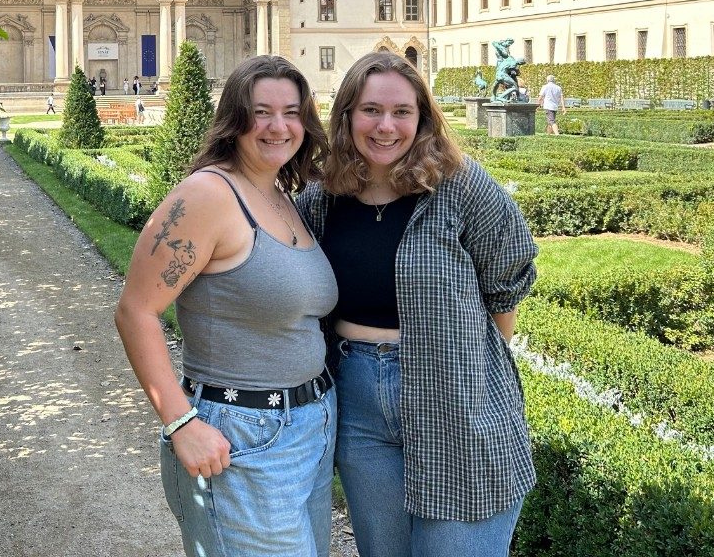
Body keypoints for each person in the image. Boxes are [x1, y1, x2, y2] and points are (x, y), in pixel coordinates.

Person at [296, 51, 538, 557]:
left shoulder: (461, 187)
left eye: (402, 112)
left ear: (422, 118)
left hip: (455, 395)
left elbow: (507, 280)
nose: (386, 126)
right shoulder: (322, 197)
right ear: (346, 116)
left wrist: (468, 366)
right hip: (358, 401)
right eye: (370, 110)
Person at [116, 56, 337, 557]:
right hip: (242, 435)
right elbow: (135, 311)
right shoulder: (207, 196)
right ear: (235, 120)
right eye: (261, 112)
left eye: (291, 112)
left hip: (311, 424)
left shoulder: (280, 193)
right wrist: (179, 423)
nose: (278, 126)